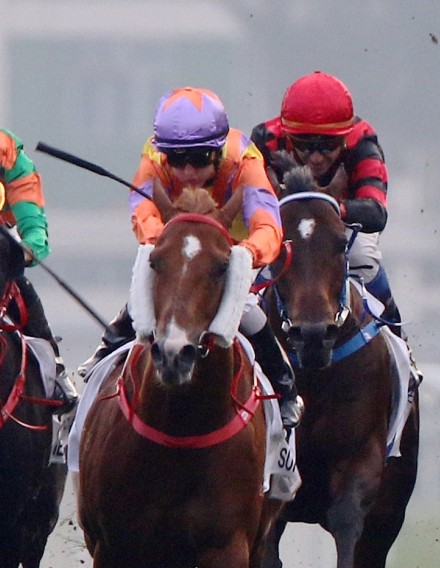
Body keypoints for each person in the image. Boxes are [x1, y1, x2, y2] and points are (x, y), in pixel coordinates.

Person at [78, 87, 303, 428]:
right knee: (144, 294)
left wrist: (247, 253)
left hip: (227, 253)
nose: (187, 171)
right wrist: (166, 244)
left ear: (217, 151)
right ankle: (100, 365)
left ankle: (285, 390)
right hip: (175, 250)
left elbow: (268, 226)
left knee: (245, 309)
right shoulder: (154, 157)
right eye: (177, 160)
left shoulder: (245, 161)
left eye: (198, 159)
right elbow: (143, 212)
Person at [251, 71, 403, 334]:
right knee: (250, 264)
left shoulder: (362, 142)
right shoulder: (265, 140)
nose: (316, 158)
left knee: (363, 256)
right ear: (288, 136)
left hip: (340, 225)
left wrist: (331, 210)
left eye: (328, 145)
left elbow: (375, 212)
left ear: (345, 137)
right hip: (283, 225)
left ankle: (394, 328)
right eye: (304, 145)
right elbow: (249, 200)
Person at [0, 129, 77, 413]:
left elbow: (31, 218)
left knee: (23, 291)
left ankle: (56, 375)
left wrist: (31, 245)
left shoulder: (8, 154)